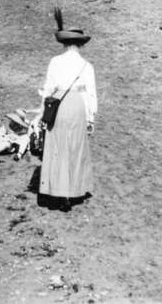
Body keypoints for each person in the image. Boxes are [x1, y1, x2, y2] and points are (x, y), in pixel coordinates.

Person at [38, 13, 97, 211]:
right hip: (78, 105)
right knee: (76, 148)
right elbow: (91, 94)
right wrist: (90, 118)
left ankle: (57, 191)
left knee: (57, 148)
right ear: (80, 44)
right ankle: (73, 192)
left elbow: (48, 89)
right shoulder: (86, 66)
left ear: (65, 43)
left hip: (59, 105)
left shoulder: (55, 62)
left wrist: (41, 113)